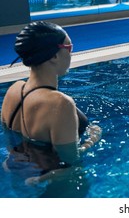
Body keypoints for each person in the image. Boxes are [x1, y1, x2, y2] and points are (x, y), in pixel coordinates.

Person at [1, 21, 102, 197]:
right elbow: (71, 163)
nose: (72, 53)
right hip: (59, 187)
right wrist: (93, 139)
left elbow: (11, 143)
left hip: (20, 174)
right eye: (69, 48)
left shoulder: (13, 91)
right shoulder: (60, 104)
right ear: (55, 56)